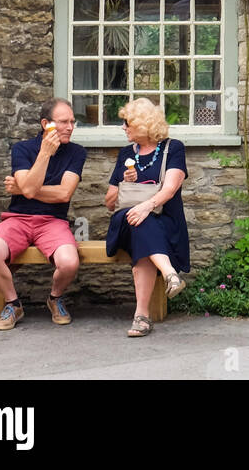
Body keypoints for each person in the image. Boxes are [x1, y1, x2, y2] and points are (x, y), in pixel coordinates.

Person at [0, 99, 86, 330]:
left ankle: (55, 298)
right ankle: (13, 304)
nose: (70, 127)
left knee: (69, 263)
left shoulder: (76, 152)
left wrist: (24, 189)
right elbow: (31, 190)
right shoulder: (22, 149)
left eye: (72, 121)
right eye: (63, 122)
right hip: (17, 219)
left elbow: (63, 194)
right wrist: (44, 154)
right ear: (45, 124)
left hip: (53, 222)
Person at [103, 97, 190, 337]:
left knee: (143, 225)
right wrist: (122, 183)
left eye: (126, 122)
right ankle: (170, 274)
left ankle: (141, 316)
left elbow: (170, 189)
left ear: (142, 124)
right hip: (125, 221)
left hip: (164, 221)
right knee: (138, 221)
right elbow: (110, 203)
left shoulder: (174, 148)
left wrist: (146, 207)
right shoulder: (125, 155)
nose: (123, 128)